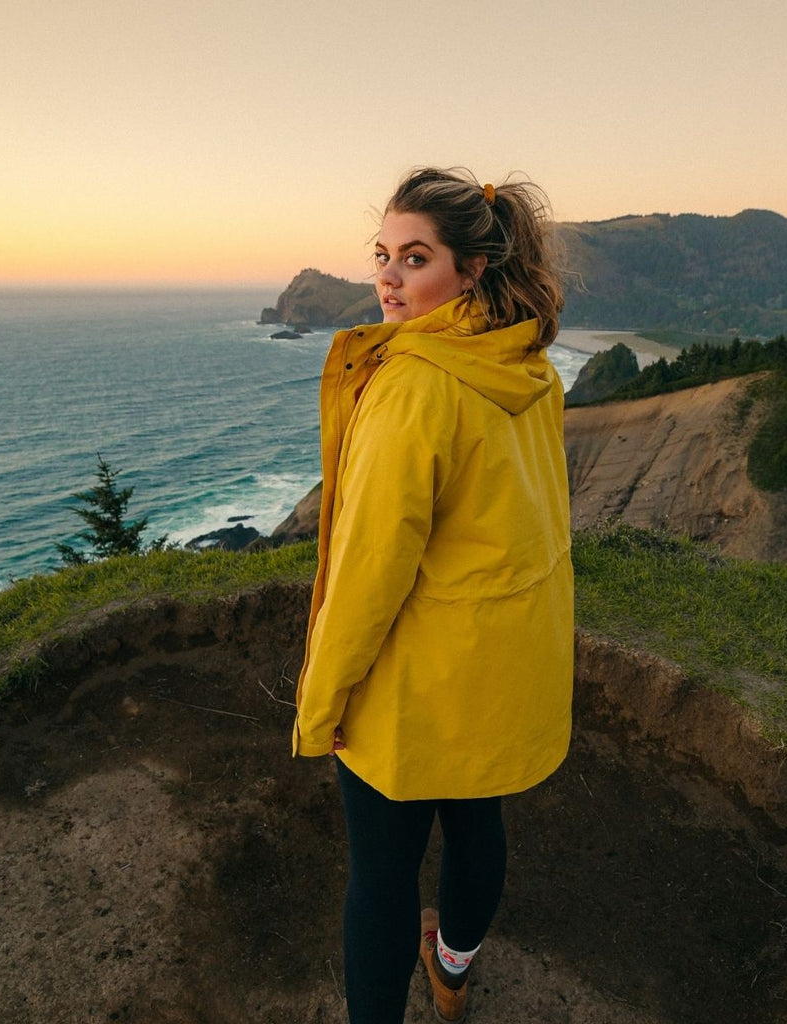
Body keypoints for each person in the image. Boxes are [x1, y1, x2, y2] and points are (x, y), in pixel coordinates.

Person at [292, 166, 573, 1023]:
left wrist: (323, 698)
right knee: (476, 827)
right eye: (383, 254)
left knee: (380, 883)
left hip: (412, 685)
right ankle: (451, 971)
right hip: (493, 666)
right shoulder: (525, 363)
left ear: (471, 269)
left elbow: (371, 570)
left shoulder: (413, 385)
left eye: (415, 258)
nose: (387, 276)